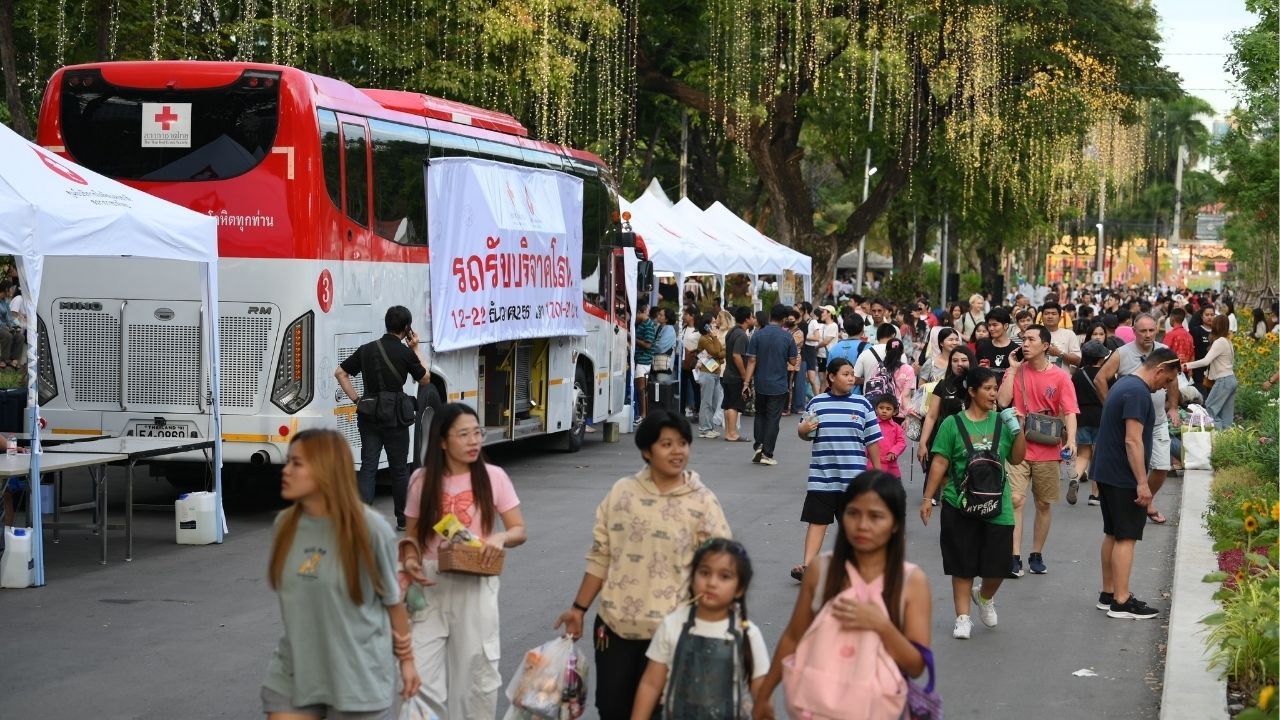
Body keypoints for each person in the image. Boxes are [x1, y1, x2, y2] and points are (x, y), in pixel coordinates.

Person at [554, 410, 732, 719]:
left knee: (662, 711)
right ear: (646, 451)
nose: (677, 452)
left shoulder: (703, 502)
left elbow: (722, 569)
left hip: (675, 632)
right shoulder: (622, 494)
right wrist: (579, 609)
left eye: (682, 443)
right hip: (615, 626)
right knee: (612, 709)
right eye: (666, 444)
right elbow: (601, 555)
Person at [261, 429, 419, 718]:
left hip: (356, 677)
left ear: (326, 470)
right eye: (288, 462)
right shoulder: (285, 524)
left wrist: (407, 661)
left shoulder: (371, 530)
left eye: (297, 463)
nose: (286, 471)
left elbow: (393, 602)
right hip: (294, 670)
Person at [754, 472, 932, 720]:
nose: (862, 525)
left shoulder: (912, 583)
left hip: (876, 708)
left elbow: (915, 666)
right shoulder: (822, 570)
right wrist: (764, 694)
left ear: (895, 525)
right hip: (816, 706)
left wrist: (881, 625)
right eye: (853, 513)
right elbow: (793, 636)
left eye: (876, 516)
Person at [403, 404, 526, 720]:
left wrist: (499, 539)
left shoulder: (493, 476)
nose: (474, 441)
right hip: (429, 585)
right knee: (420, 679)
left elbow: (518, 530)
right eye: (463, 434)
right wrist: (411, 563)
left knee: (475, 679)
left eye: (477, 433)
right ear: (442, 441)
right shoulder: (421, 480)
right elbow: (411, 539)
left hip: (475, 582)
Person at [921, 367, 1027, 639]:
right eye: (988, 389)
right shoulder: (952, 424)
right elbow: (940, 462)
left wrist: (1019, 431)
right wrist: (927, 498)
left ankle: (985, 596)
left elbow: (1016, 459)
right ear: (972, 391)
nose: (994, 394)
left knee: (1000, 566)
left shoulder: (1002, 422)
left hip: (997, 505)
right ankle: (963, 617)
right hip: (959, 503)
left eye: (996, 389)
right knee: (962, 563)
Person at [630, 538, 769, 719]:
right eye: (704, 573)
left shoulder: (747, 634)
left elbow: (762, 694)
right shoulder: (673, 625)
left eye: (724, 576)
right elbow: (651, 684)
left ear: (739, 589)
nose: (712, 582)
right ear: (692, 576)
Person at [1092, 348, 1181, 620]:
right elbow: (1133, 440)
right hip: (1122, 475)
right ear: (1159, 370)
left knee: (1113, 532)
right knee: (1127, 537)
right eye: (1166, 381)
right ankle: (1121, 601)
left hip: (1106, 471)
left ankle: (1108, 594)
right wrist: (1142, 483)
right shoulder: (1138, 392)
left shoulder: (1123, 384)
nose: (1164, 388)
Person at [335, 305, 429, 530]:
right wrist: (416, 348)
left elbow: (340, 372)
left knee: (368, 466)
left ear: (386, 324)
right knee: (398, 469)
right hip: (395, 416)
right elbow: (425, 378)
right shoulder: (405, 352)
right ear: (407, 329)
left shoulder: (366, 349)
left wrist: (357, 400)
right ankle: (403, 520)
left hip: (369, 414)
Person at [998, 325, 1079, 578]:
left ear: (1045, 345)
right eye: (1023, 339)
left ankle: (1036, 553)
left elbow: (1070, 411)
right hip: (1018, 444)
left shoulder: (1060, 377)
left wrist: (1072, 440)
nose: (1025, 343)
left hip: (1048, 446)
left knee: (1043, 503)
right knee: (1016, 500)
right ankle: (1014, 556)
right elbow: (1002, 401)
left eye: (1031, 339)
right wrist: (1011, 370)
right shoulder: (1016, 371)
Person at [793, 358, 882, 580]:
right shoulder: (817, 403)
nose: (851, 377)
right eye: (845, 374)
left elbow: (872, 441)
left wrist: (878, 474)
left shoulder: (862, 404)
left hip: (854, 479)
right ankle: (807, 566)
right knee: (817, 521)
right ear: (831, 377)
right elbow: (805, 434)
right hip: (822, 476)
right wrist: (803, 429)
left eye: (852, 374)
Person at [1095, 314, 1180, 525]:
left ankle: (1147, 499)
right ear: (1134, 331)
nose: (1148, 335)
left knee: (1162, 467)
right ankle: (1136, 501)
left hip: (1158, 421)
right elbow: (1100, 379)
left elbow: (1173, 381)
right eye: (1143, 331)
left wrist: (1174, 407)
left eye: (1152, 330)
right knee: (1131, 464)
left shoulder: (1163, 354)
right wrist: (1110, 408)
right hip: (1131, 422)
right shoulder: (1121, 353)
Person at [743, 304, 798, 466]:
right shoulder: (787, 337)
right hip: (779, 384)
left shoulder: (758, 335)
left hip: (760, 382)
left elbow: (751, 360)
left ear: (770, 316)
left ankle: (759, 444)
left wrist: (746, 382)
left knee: (760, 415)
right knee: (773, 419)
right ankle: (767, 452)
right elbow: (793, 360)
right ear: (783, 319)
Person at [916, 346, 975, 481]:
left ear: (971, 361)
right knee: (945, 483)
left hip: (974, 441)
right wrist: (923, 443)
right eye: (955, 360)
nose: (959, 364)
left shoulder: (979, 384)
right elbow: (931, 416)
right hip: (946, 441)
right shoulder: (943, 385)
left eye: (964, 360)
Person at [1184, 315, 1237, 430]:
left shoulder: (1219, 341)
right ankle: (1227, 440)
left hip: (1223, 380)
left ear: (1216, 326)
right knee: (1226, 414)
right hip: (1231, 379)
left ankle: (1216, 436)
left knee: (1210, 408)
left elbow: (1206, 361)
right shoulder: (1228, 341)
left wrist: (1187, 365)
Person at [1073, 341, 1109, 506]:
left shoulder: (1078, 374)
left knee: (1083, 454)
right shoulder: (1106, 374)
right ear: (1101, 358)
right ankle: (1095, 495)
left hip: (1082, 417)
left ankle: (1075, 479)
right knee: (1098, 456)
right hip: (1101, 417)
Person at [720, 307, 753, 443]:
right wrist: (745, 375)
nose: (753, 319)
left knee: (728, 404)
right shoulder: (741, 335)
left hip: (727, 374)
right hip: (735, 375)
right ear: (746, 319)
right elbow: (736, 355)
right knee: (734, 405)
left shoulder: (731, 332)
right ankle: (732, 433)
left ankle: (729, 432)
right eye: (751, 316)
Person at [695, 312, 727, 439]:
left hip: (715, 372)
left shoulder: (712, 338)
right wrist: (715, 340)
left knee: (714, 402)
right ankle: (704, 428)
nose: (715, 325)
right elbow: (716, 351)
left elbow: (722, 351)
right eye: (713, 323)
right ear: (707, 325)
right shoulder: (704, 338)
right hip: (707, 373)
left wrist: (718, 353)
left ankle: (709, 427)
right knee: (706, 402)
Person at [975, 307, 1016, 381]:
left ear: (1006, 326)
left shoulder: (1016, 350)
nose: (991, 328)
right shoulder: (982, 348)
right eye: (989, 325)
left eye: (995, 325)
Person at [1039, 302, 1081, 368]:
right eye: (1047, 313)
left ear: (1060, 318)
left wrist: (1059, 354)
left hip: (1063, 377)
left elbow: (1078, 361)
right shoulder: (1035, 334)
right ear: (1041, 317)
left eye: (1054, 314)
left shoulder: (1069, 334)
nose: (1050, 316)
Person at [634, 302, 657, 422]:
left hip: (644, 360)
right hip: (641, 360)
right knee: (642, 389)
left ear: (640, 312)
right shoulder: (643, 323)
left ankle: (643, 415)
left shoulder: (648, 325)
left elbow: (648, 345)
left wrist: (632, 338)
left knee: (642, 390)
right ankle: (644, 415)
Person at [874, 395, 906, 479]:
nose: (884, 411)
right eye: (881, 408)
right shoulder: (871, 425)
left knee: (892, 489)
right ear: (876, 409)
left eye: (888, 409)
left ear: (895, 412)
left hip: (890, 465)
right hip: (872, 463)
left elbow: (901, 442)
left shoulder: (896, 427)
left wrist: (894, 451)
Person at [1190, 306, 1217, 395]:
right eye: (1207, 315)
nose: (1210, 317)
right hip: (1198, 371)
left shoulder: (1217, 332)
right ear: (1202, 316)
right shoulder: (1196, 331)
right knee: (1201, 397)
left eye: (1212, 315)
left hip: (1214, 371)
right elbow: (1191, 350)